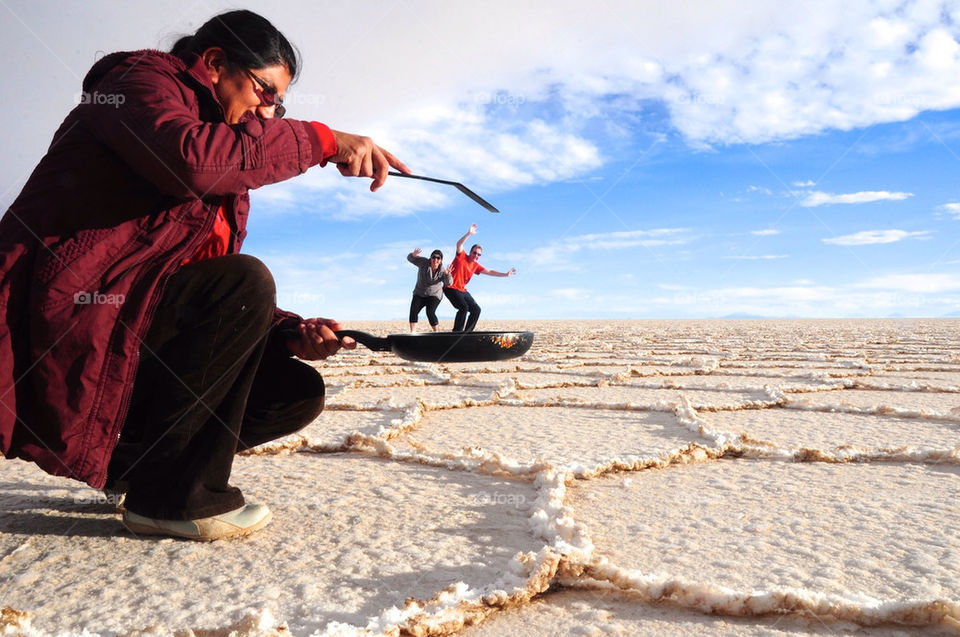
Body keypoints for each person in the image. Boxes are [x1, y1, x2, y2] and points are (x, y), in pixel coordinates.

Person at [0, 10, 411, 540]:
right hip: (71, 309)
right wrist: (321, 140)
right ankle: (174, 499)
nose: (268, 111)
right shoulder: (136, 85)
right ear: (215, 63)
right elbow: (187, 162)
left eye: (278, 104)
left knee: (293, 390)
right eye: (266, 92)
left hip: (131, 321)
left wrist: (287, 330)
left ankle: (135, 469)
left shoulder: (226, 155)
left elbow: (190, 278)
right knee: (244, 281)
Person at [442, 224, 516, 332]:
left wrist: (505, 274)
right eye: (474, 253)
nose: (476, 255)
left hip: (462, 290)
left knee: (476, 309)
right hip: (450, 288)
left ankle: (467, 334)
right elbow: (459, 244)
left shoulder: (476, 266)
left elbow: (490, 272)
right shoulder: (461, 256)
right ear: (470, 252)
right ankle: (457, 333)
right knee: (463, 308)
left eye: (479, 255)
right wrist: (469, 234)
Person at [407, 248, 450, 332]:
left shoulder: (443, 271)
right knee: (413, 311)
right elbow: (410, 259)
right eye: (433, 257)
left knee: (430, 312)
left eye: (438, 258)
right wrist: (413, 255)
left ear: (441, 260)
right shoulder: (423, 262)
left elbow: (448, 283)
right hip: (419, 293)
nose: (435, 260)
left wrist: (447, 275)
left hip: (434, 294)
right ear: (430, 258)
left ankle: (437, 333)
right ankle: (413, 333)